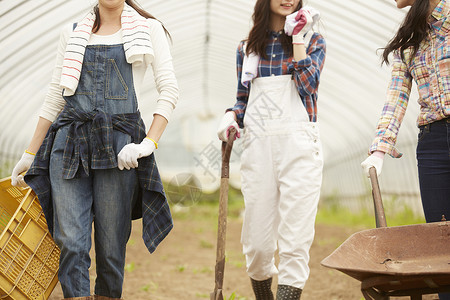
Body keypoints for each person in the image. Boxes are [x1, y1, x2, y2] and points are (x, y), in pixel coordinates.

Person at [10, 0, 178, 299]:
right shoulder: (73, 32)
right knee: (71, 242)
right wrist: (30, 153)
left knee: (111, 248)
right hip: (70, 144)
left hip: (119, 147)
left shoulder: (148, 29)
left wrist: (147, 144)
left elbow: (169, 90)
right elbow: (55, 96)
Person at [217, 0, 326, 299]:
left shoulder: (313, 40)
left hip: (299, 147)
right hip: (258, 148)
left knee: (295, 240)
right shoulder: (247, 48)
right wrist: (232, 117)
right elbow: (243, 97)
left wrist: (298, 37)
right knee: (258, 245)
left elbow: (308, 86)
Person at [361, 0, 449, 298]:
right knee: (441, 244)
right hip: (433, 145)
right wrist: (379, 149)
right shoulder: (409, 38)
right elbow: (397, 96)